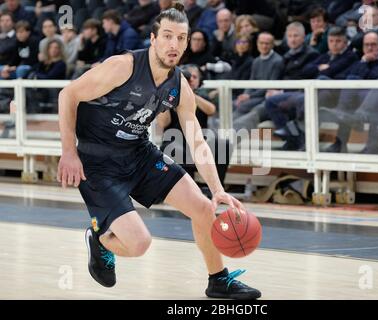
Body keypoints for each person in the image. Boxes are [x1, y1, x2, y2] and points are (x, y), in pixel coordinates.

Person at [56, 3, 261, 300]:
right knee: (139, 245)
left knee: (204, 207)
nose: (173, 44)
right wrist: (68, 152)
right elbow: (68, 94)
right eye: (167, 36)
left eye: (180, 38)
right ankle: (101, 239)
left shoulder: (179, 85)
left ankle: (218, 280)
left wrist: (217, 189)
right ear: (153, 39)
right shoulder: (123, 66)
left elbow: (197, 142)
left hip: (138, 153)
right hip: (97, 161)